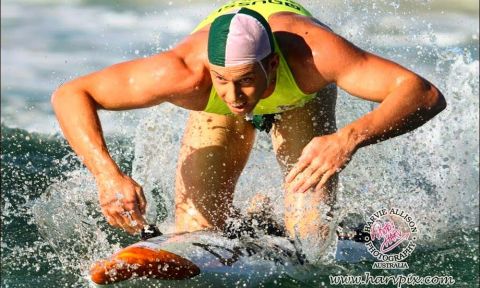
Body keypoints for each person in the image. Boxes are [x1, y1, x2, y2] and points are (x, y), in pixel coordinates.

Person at [51, 0, 446, 248]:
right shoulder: (183, 73)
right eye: (222, 79)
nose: (235, 95)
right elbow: (70, 94)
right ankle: (254, 220)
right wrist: (107, 175)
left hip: (299, 97)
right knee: (197, 233)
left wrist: (347, 139)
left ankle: (312, 227)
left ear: (271, 64)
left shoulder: (314, 57)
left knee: (311, 239)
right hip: (217, 94)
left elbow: (422, 93)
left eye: (245, 80)